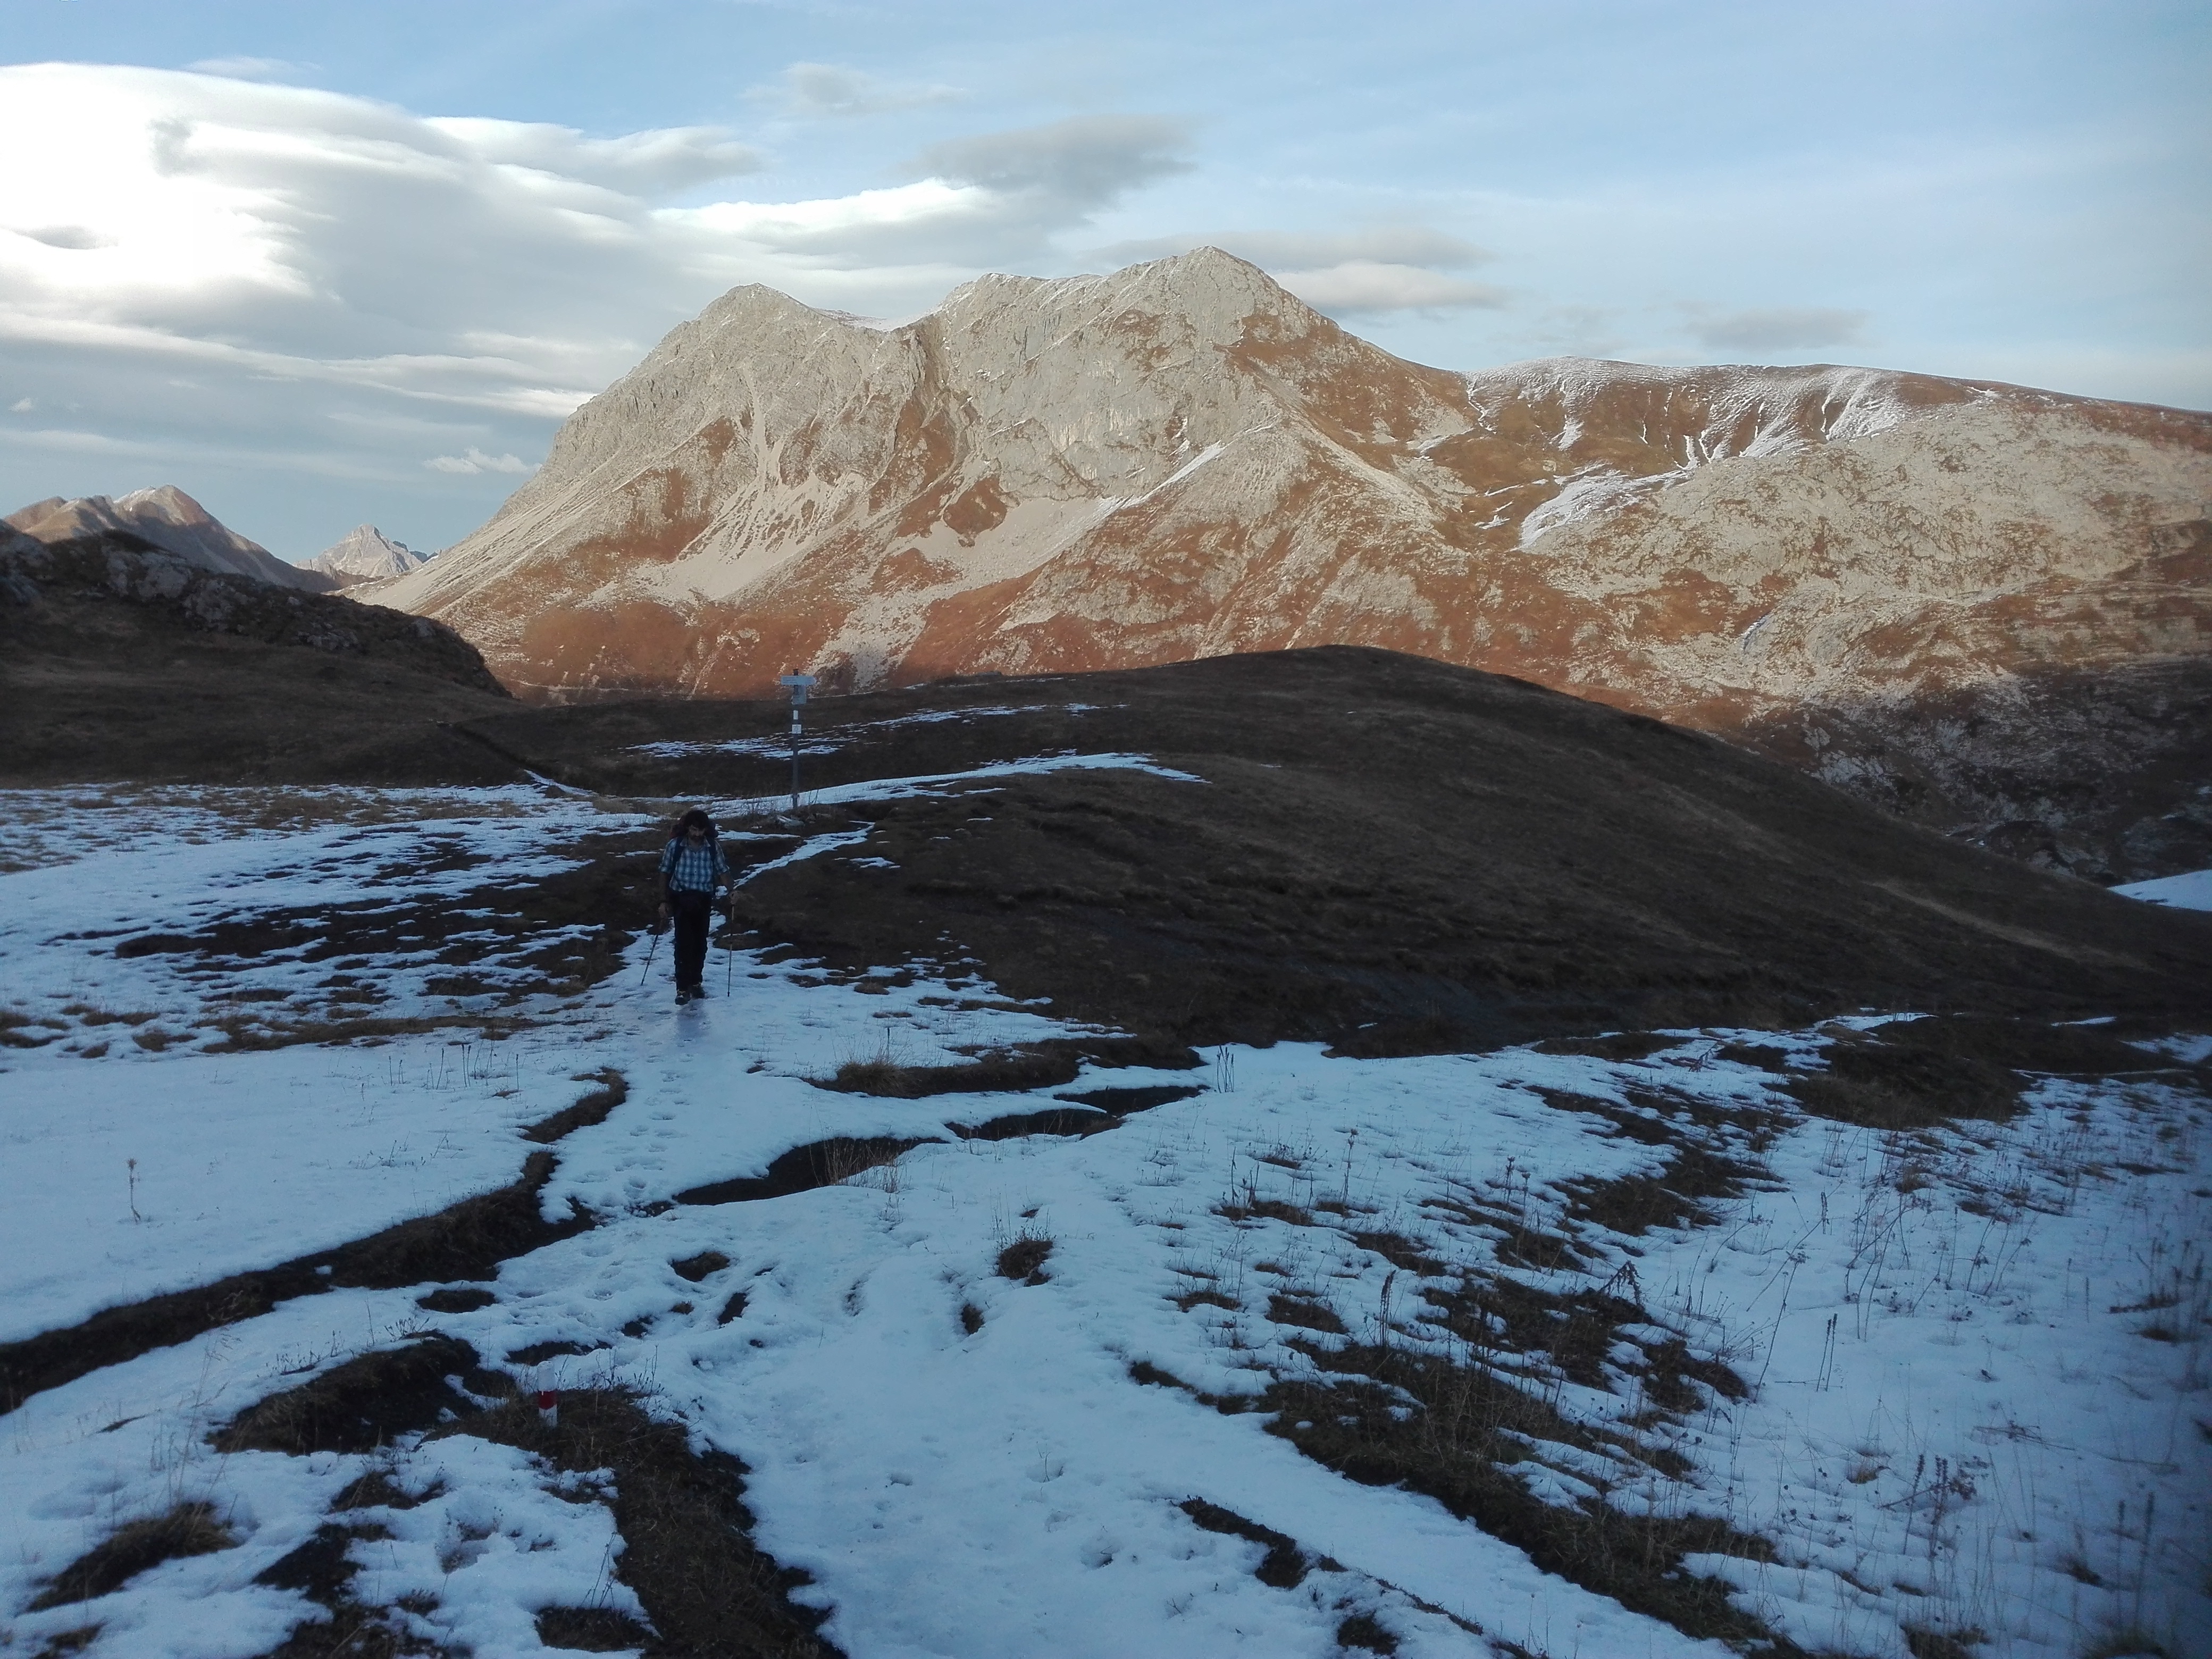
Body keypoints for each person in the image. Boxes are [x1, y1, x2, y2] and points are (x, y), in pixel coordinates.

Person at [657, 808, 732, 1004]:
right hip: (680, 898)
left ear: (706, 830)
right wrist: (663, 901)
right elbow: (665, 872)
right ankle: (682, 988)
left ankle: (696, 982)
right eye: (694, 830)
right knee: (684, 943)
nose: (697, 834)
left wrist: (732, 890)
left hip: (704, 900)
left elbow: (722, 870)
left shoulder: (713, 847)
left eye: (701, 830)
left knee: (700, 943)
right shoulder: (675, 846)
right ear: (687, 828)